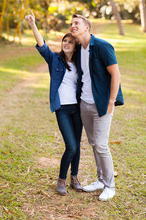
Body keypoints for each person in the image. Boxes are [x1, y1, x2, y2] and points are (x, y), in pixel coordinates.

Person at [25, 10, 83, 196]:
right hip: (63, 110)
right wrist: (33, 24)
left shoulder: (80, 62)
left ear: (76, 46)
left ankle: (75, 177)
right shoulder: (54, 60)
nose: (66, 44)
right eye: (64, 41)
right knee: (71, 146)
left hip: (78, 109)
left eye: (70, 42)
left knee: (78, 145)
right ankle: (61, 180)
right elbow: (42, 46)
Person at [70, 14, 124, 201]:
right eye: (71, 23)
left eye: (76, 23)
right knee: (93, 144)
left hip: (102, 104)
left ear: (87, 27)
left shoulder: (102, 46)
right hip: (85, 104)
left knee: (101, 145)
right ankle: (100, 180)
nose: (72, 26)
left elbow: (115, 74)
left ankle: (110, 186)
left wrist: (111, 102)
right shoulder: (79, 49)